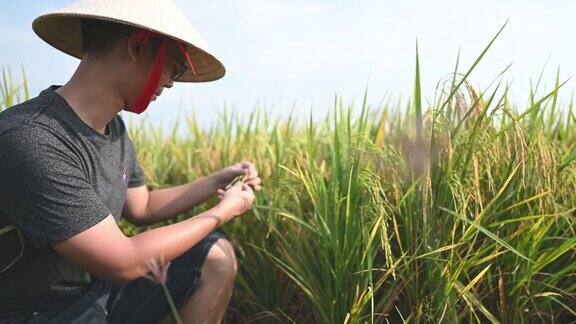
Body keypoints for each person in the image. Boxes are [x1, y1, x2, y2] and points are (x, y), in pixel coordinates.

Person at [0, 0, 262, 323]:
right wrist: (224, 211)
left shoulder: (114, 129)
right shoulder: (32, 139)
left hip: (97, 293)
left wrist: (218, 181)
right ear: (138, 46)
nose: (169, 82)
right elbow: (123, 261)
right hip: (40, 312)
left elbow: (143, 206)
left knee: (214, 256)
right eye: (175, 65)